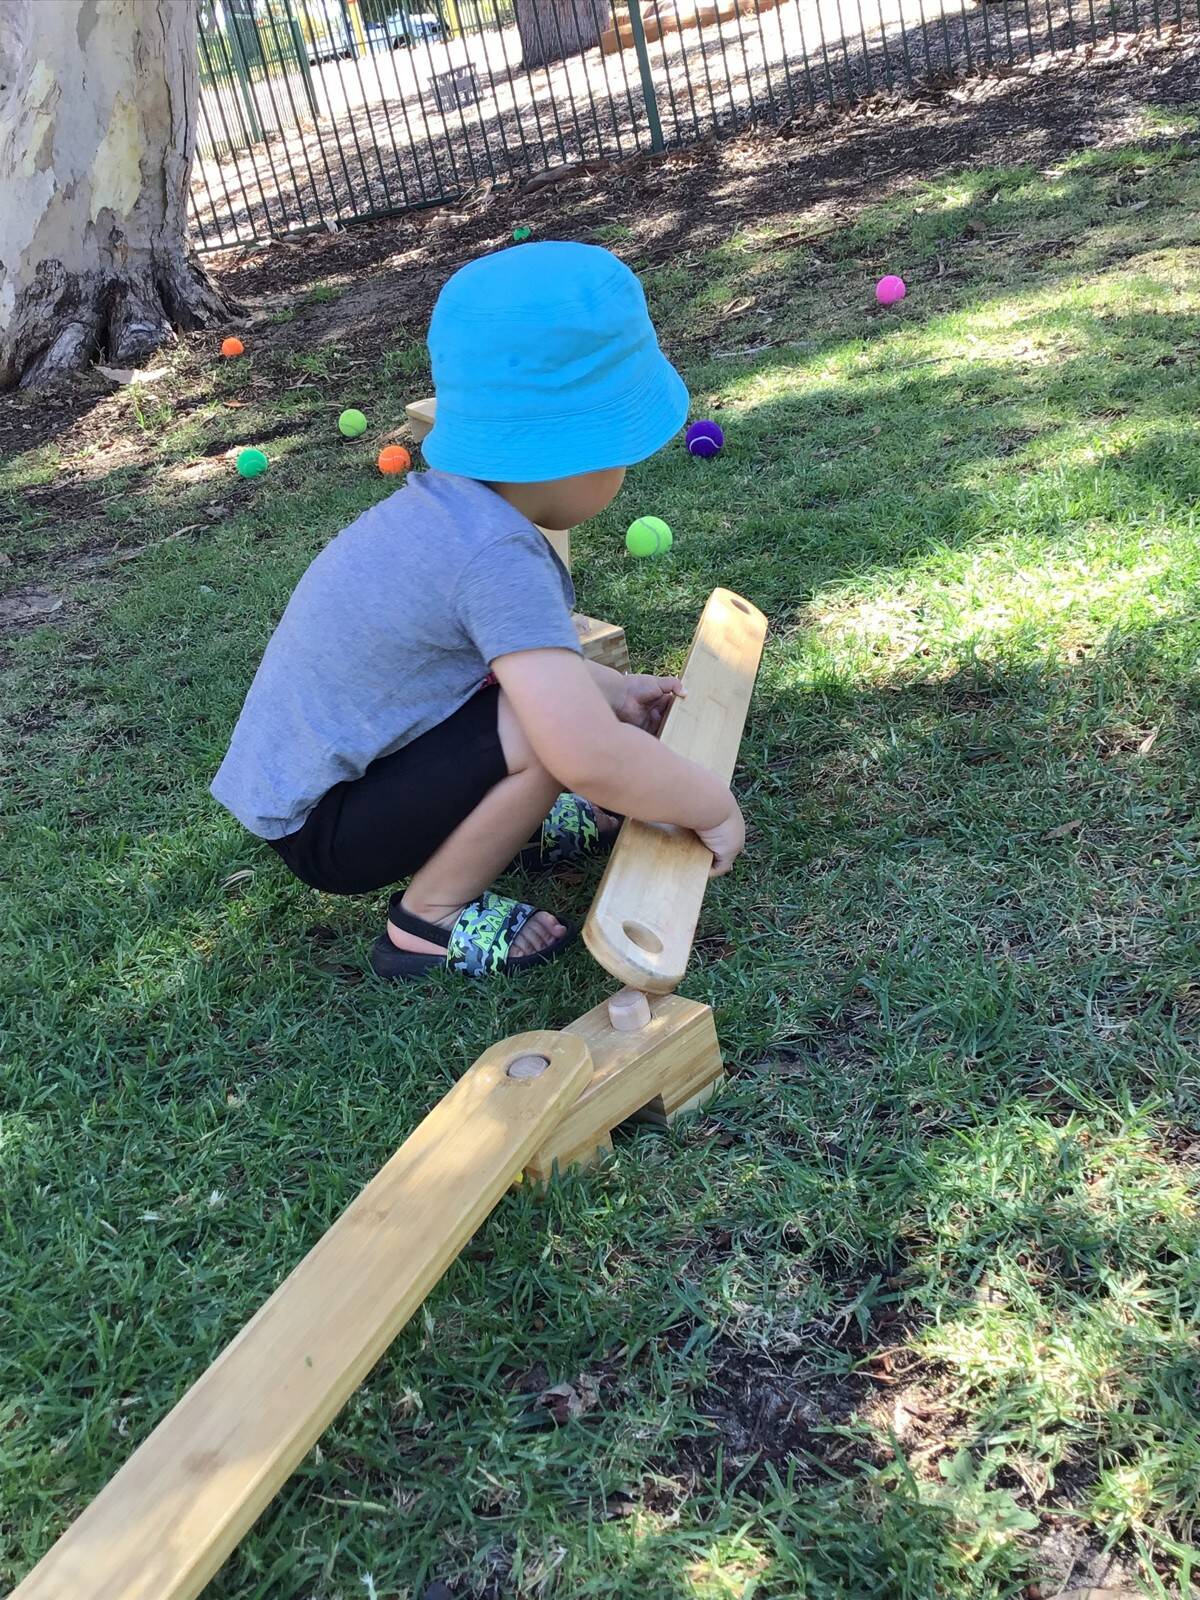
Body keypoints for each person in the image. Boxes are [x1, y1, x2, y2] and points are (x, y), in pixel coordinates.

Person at [211, 242, 746, 981]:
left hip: (340, 787)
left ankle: (512, 824)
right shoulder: (497, 557)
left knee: (542, 711)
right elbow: (582, 749)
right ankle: (427, 921)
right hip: (328, 828)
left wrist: (616, 692)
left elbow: (524, 666)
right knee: (548, 732)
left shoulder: (456, 514)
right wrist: (707, 803)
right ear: (581, 451)